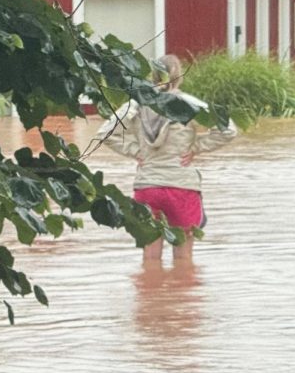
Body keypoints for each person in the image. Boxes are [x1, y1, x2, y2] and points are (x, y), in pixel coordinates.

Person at [95, 53, 237, 264]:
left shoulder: (137, 105)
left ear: (153, 76)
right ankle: (179, 294)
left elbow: (103, 133)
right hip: (182, 186)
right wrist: (195, 147)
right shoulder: (190, 104)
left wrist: (136, 151)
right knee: (183, 257)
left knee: (150, 257)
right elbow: (228, 130)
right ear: (179, 76)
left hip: (147, 187)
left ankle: (151, 294)